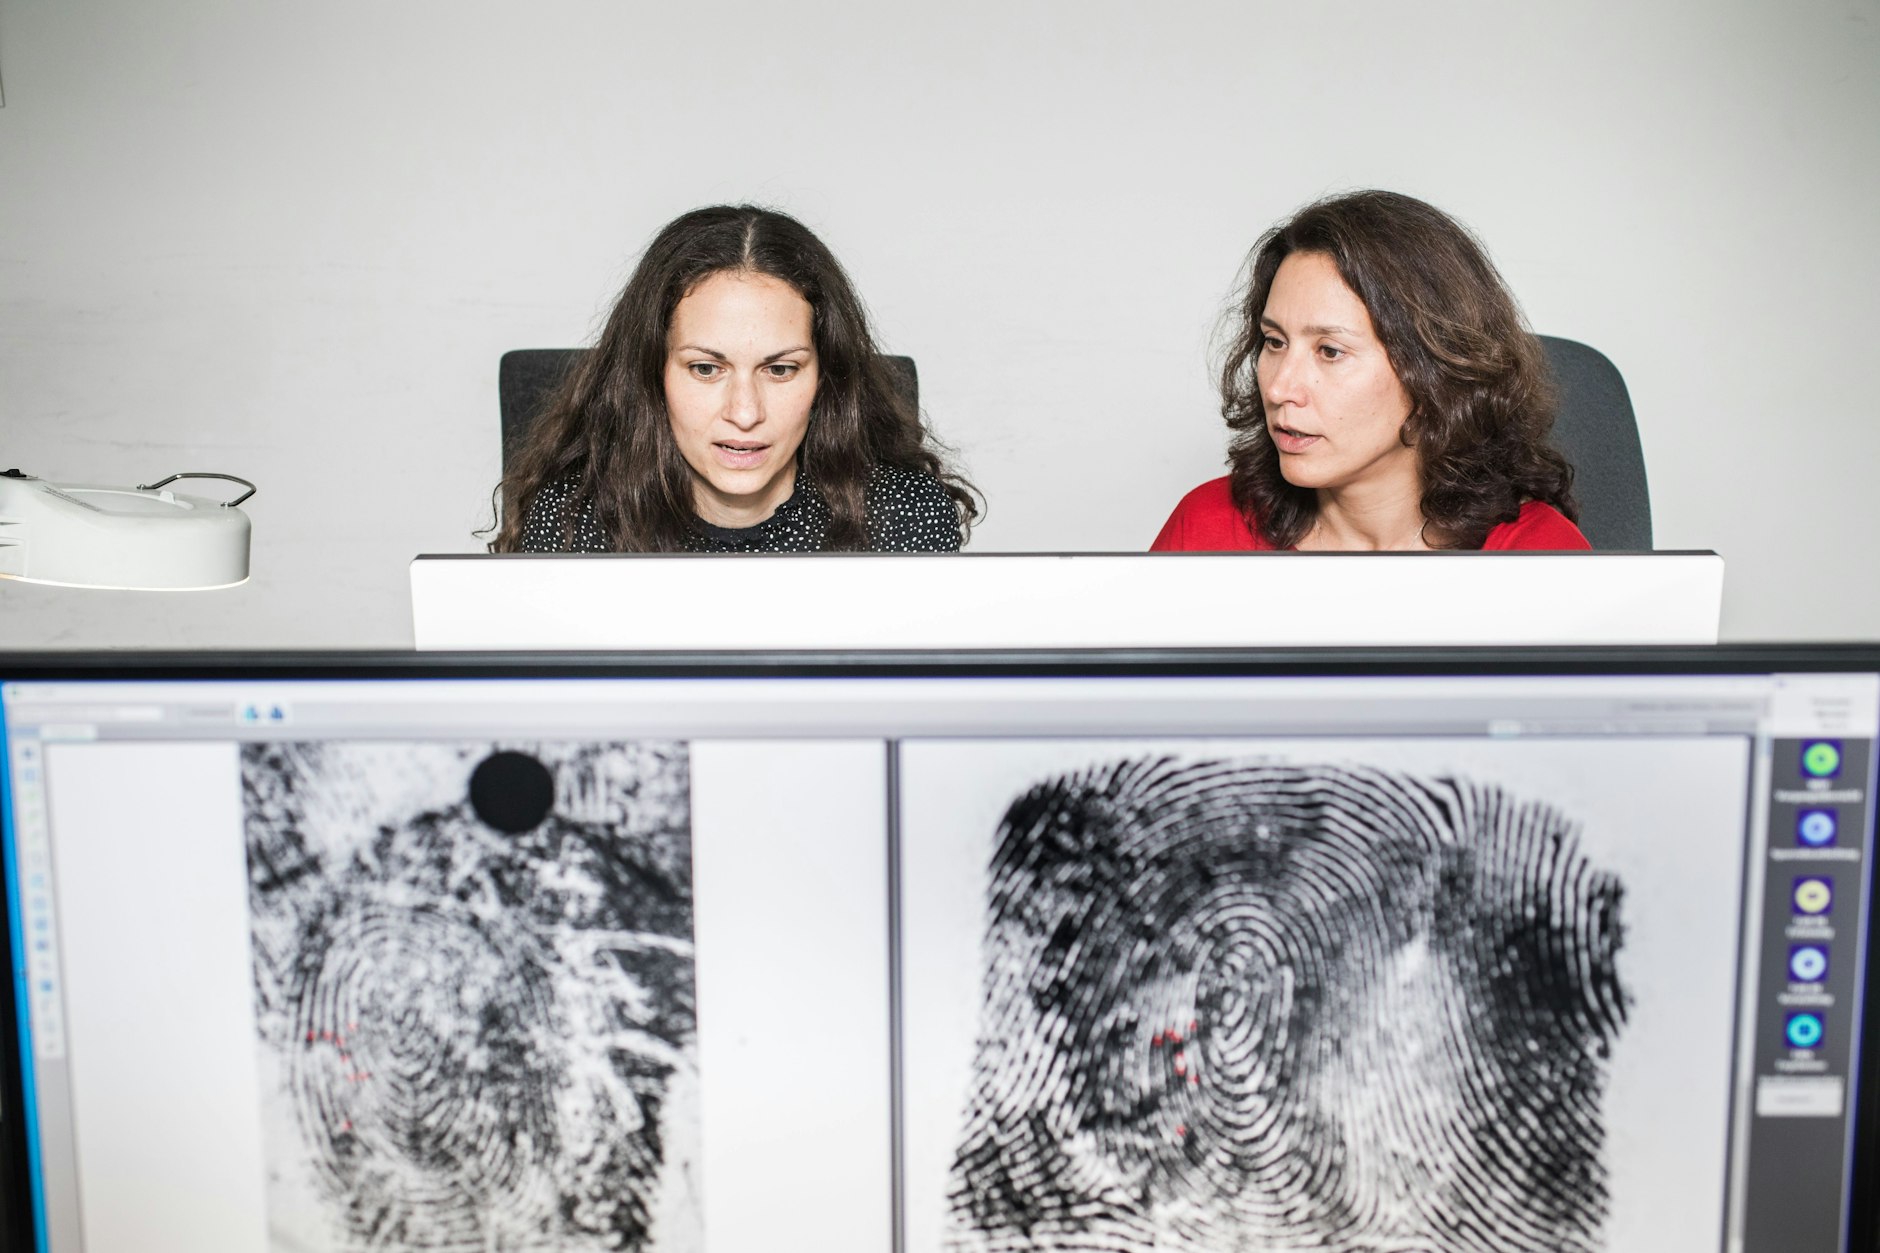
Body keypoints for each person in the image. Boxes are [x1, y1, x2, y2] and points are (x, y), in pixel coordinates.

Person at [492, 205, 977, 554]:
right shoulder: (574, 522)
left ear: (825, 379)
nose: (745, 413)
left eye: (780, 369)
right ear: (651, 374)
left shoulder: (903, 516)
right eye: (706, 369)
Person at [1152, 190, 1589, 552]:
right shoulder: (1207, 530)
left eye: (1330, 351)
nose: (1281, 387)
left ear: (1433, 373)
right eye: (1274, 342)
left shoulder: (1538, 558)